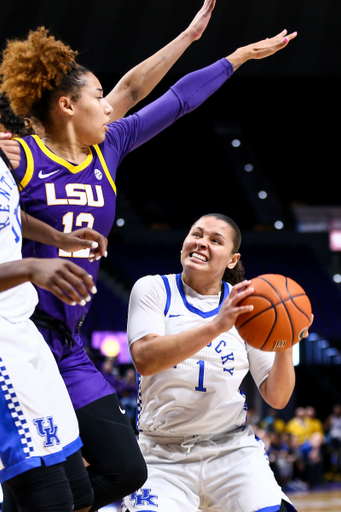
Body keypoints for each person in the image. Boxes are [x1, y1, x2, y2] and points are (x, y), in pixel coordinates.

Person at [0, 5, 297, 509]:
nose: (111, 106)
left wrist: (227, 53)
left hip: (68, 346)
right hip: (22, 330)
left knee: (121, 471)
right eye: (99, 97)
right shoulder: (20, 156)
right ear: (69, 105)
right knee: (49, 486)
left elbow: (166, 96)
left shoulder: (106, 147)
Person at [122, 213, 303, 512]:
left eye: (215, 240)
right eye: (196, 234)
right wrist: (217, 325)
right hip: (161, 453)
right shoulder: (153, 289)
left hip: (230, 450)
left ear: (233, 260)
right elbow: (145, 359)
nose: (201, 243)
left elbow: (278, 396)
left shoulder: (249, 306)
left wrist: (285, 342)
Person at [0, 150, 101, 512]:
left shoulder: (4, 158)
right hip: (1, 345)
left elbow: (11, 214)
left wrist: (59, 239)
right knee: (50, 498)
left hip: (21, 326)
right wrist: (30, 267)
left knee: (80, 492)